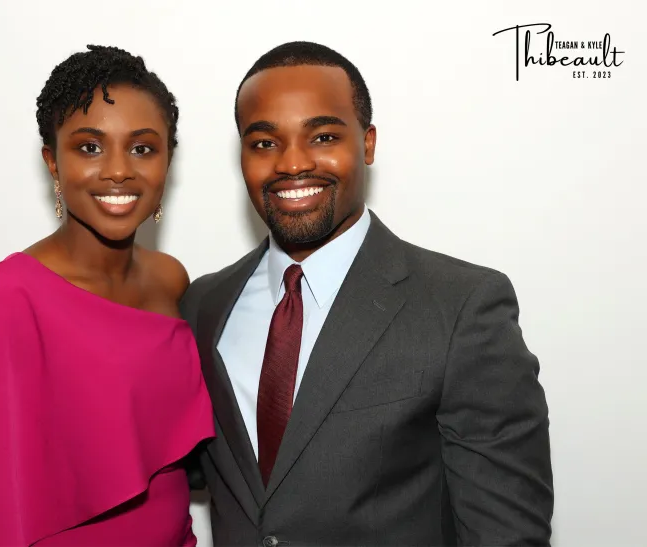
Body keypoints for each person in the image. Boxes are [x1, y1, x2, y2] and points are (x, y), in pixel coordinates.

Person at [180, 41, 553, 546]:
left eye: (323, 136)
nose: (291, 164)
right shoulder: (204, 306)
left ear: (368, 143)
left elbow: (506, 534)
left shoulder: (461, 307)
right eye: (264, 142)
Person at [0, 45, 214, 546]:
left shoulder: (171, 280)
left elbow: (169, 466)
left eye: (143, 148)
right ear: (52, 162)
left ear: (168, 161)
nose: (119, 171)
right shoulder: (8, 299)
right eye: (90, 147)